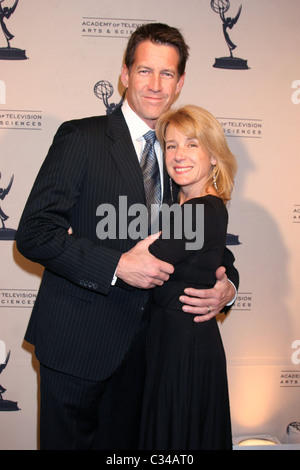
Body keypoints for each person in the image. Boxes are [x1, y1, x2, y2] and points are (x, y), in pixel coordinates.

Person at [16, 23, 239, 450]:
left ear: (180, 83)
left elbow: (205, 237)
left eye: (167, 74)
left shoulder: (181, 155)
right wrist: (116, 264)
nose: (155, 85)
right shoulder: (82, 138)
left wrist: (227, 287)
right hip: (79, 344)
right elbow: (34, 233)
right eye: (144, 71)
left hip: (150, 355)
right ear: (124, 74)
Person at [139, 105, 237, 450]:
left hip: (184, 348)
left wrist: (79, 237)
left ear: (214, 156)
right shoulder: (178, 205)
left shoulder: (201, 210)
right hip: (170, 341)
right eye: (170, 145)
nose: (179, 155)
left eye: (192, 144)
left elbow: (144, 263)